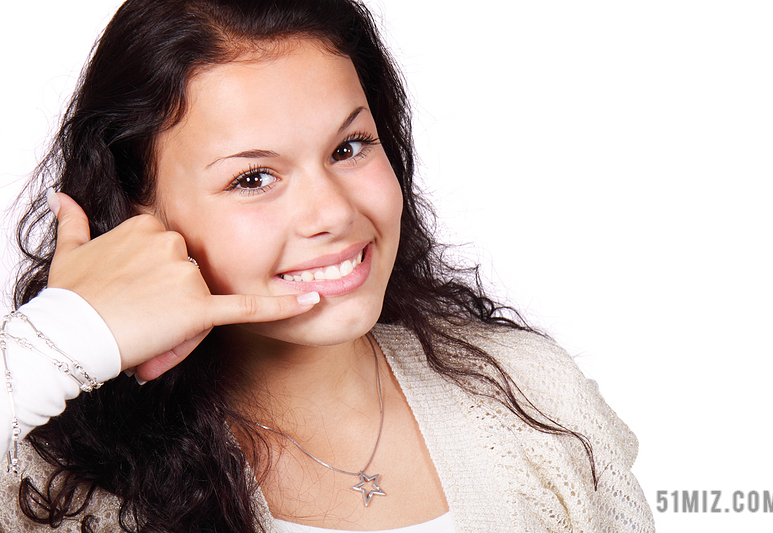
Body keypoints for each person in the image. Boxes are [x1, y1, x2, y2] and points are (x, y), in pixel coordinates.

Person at [0, 0, 655, 531]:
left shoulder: (534, 394)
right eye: (254, 178)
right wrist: (58, 341)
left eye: (349, 146)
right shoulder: (54, 475)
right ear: (140, 218)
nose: (333, 213)